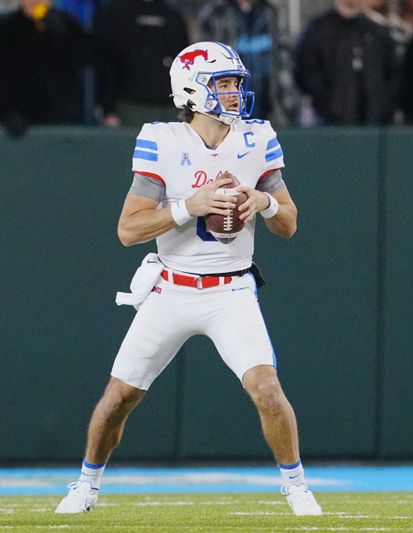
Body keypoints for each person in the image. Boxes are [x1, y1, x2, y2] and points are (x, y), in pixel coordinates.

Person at [53, 41, 322, 517]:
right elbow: (128, 229)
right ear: (193, 89)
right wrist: (186, 208)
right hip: (172, 288)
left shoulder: (256, 138)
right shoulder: (164, 139)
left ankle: (297, 486)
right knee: (119, 397)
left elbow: (291, 223)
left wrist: (266, 203)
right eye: (223, 83)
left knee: (266, 387)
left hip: (233, 289)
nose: (236, 92)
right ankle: (86, 484)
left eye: (237, 82)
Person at [294, 0, 398, 126]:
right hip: (329, 123)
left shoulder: (377, 32)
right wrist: (329, 104)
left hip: (374, 123)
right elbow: (305, 73)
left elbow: (393, 75)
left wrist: (382, 105)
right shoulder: (318, 31)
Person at [0, 0, 93, 136]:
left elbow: (89, 57)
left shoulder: (64, 22)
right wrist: (6, 112)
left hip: (62, 116)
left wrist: (60, 31)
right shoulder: (8, 28)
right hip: (22, 119)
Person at [94, 0, 190, 127]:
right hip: (131, 106)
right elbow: (105, 64)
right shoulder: (115, 15)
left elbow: (185, 63)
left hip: (171, 106)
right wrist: (107, 109)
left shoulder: (173, 17)